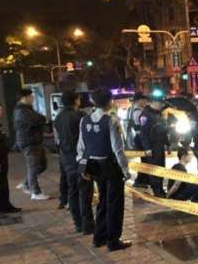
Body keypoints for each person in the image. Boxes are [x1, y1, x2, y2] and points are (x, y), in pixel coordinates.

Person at [77, 88, 131, 252]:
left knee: (102, 199)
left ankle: (99, 237)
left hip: (93, 165)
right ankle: (113, 241)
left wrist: (82, 164)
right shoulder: (111, 121)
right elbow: (118, 149)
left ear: (93, 102)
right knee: (114, 203)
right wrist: (125, 170)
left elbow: (81, 146)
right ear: (110, 102)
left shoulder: (84, 120)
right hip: (110, 165)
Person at [53, 91, 90, 233]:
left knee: (73, 191)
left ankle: (78, 223)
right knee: (84, 192)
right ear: (75, 100)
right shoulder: (79, 117)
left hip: (66, 158)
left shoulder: (58, 117)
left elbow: (58, 139)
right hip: (79, 157)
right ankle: (87, 224)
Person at [14, 88, 50, 200]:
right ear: (25, 98)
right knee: (33, 167)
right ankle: (35, 192)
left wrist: (41, 119)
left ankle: (27, 183)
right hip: (29, 142)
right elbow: (36, 120)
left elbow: (39, 119)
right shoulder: (21, 111)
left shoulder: (27, 109)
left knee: (42, 165)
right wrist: (41, 119)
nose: (33, 98)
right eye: (31, 96)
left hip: (34, 141)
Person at [139, 92, 168, 197]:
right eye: (160, 103)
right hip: (152, 146)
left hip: (160, 145)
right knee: (154, 169)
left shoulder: (159, 113)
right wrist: (147, 148)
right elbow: (143, 133)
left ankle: (160, 189)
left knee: (161, 168)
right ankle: (157, 191)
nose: (162, 105)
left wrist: (167, 144)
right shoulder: (145, 115)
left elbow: (163, 130)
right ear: (153, 102)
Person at [128, 93, 151, 188]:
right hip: (141, 138)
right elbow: (142, 127)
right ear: (139, 100)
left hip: (141, 138)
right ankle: (139, 181)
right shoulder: (137, 112)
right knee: (145, 160)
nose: (146, 102)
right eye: (144, 100)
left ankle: (145, 179)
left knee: (146, 160)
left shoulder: (140, 110)